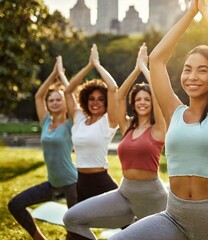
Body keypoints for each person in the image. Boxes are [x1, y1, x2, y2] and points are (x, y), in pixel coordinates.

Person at [110, 0, 208, 239]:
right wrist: (189, 12)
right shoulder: (173, 112)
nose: (192, 76)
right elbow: (157, 59)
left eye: (202, 70)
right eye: (187, 69)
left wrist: (206, 12)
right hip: (174, 214)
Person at [62, 43, 168, 239]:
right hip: (126, 191)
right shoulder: (128, 127)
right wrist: (136, 68)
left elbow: (161, 95)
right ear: (134, 104)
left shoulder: (159, 128)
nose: (142, 102)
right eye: (138, 99)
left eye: (147, 99)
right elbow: (119, 96)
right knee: (71, 218)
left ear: (153, 103)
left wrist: (145, 69)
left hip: (153, 195)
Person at [8, 56, 78, 240]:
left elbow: (73, 97)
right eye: (52, 100)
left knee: (75, 229)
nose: (54, 102)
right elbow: (39, 95)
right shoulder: (45, 121)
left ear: (65, 104)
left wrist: (62, 76)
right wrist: (53, 74)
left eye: (58, 100)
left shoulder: (71, 124)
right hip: (52, 184)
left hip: (72, 184)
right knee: (15, 204)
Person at [63, 44, 119, 205]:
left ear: (106, 102)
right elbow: (68, 91)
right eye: (92, 99)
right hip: (80, 181)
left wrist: (97, 65)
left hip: (101, 181)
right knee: (75, 225)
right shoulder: (79, 119)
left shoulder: (108, 121)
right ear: (86, 100)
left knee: (127, 223)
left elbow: (113, 88)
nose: (96, 103)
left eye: (101, 99)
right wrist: (88, 66)